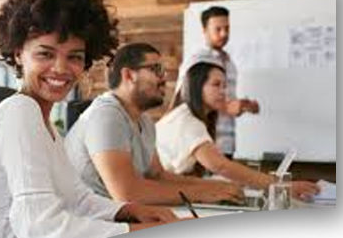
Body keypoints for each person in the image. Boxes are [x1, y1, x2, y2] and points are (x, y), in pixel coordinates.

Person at [0, 0, 186, 238]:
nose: (61, 68)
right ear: (19, 53)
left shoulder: (46, 124)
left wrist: (127, 210)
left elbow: (77, 199)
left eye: (74, 57)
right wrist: (138, 232)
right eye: (45, 53)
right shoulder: (19, 111)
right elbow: (38, 225)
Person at [64, 43, 244, 206]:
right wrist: (201, 192)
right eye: (156, 69)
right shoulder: (106, 115)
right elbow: (127, 193)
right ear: (128, 75)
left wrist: (217, 186)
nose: (164, 78)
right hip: (87, 228)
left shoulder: (145, 121)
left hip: (114, 219)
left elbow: (157, 176)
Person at [157, 61, 320, 200]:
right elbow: (220, 166)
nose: (223, 91)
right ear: (196, 86)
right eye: (216, 84)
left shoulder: (187, 116)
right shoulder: (187, 120)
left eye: (224, 86)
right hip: (157, 196)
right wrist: (281, 186)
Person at [176, 6, 259, 159]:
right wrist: (227, 107)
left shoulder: (230, 62)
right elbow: (187, 96)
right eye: (218, 29)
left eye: (227, 28)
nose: (224, 33)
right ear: (204, 30)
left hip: (227, 143)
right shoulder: (197, 60)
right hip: (203, 141)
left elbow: (224, 99)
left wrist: (244, 105)